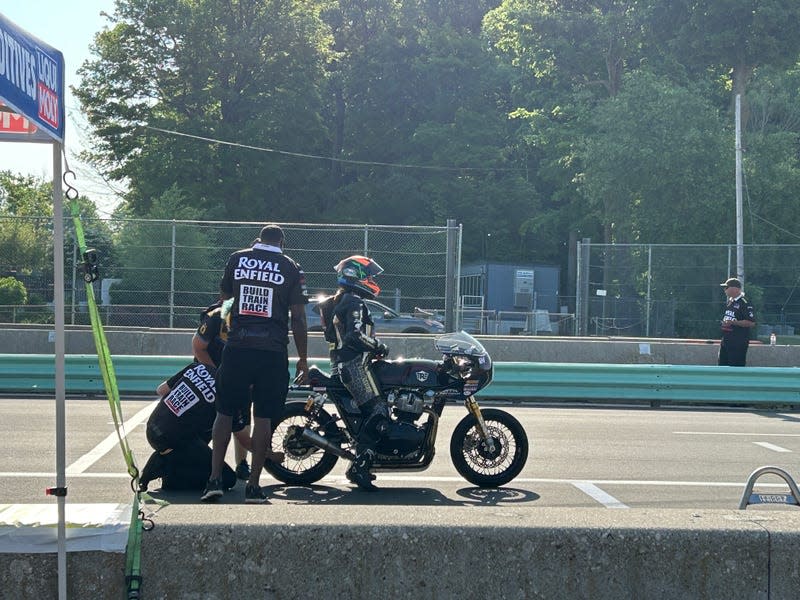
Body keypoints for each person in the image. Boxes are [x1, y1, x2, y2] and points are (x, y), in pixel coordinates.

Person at [201, 224, 308, 503]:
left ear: (259, 240)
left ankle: (213, 481)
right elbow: (297, 317)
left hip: (237, 347)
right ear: (281, 242)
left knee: (224, 413)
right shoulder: (290, 267)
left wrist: (230, 323)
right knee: (263, 418)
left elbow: (225, 299)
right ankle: (253, 486)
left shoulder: (237, 259)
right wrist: (303, 358)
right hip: (271, 351)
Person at [317, 255, 389, 491]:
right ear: (354, 276)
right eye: (367, 276)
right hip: (354, 365)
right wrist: (379, 346)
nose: (371, 280)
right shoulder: (354, 302)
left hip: (343, 363)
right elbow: (355, 336)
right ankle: (359, 466)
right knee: (379, 411)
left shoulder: (341, 300)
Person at [139, 361, 248, 492]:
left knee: (210, 424)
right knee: (228, 479)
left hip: (153, 426)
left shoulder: (199, 367)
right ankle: (166, 470)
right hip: (174, 440)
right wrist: (270, 456)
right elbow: (245, 441)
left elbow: (161, 390)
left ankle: (171, 460)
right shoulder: (231, 397)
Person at [193, 299, 252, 481]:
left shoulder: (253, 317)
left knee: (242, 419)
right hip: (209, 369)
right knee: (206, 419)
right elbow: (197, 347)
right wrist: (214, 374)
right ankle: (199, 461)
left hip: (236, 373)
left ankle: (242, 463)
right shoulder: (215, 317)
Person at [718, 277, 756, 367]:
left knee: (735, 367)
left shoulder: (744, 303)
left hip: (738, 343)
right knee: (722, 366)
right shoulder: (730, 302)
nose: (725, 290)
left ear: (735, 289)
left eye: (726, 287)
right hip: (726, 341)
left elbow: (751, 322)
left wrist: (733, 322)